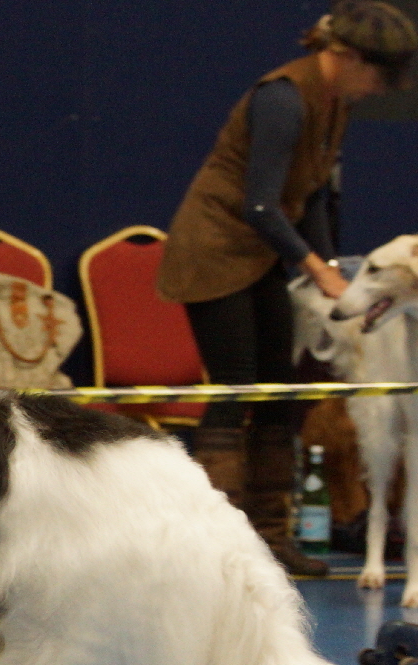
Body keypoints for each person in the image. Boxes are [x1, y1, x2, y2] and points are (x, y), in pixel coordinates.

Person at [157, 0, 417, 577]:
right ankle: (215, 550)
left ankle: (269, 539)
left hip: (263, 258)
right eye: (377, 75)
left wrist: (321, 263)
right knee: (234, 391)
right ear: (345, 56)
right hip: (215, 254)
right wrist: (319, 269)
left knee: (282, 390)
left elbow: (314, 193)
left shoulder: (334, 102)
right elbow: (260, 205)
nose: (379, 89)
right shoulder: (280, 98)